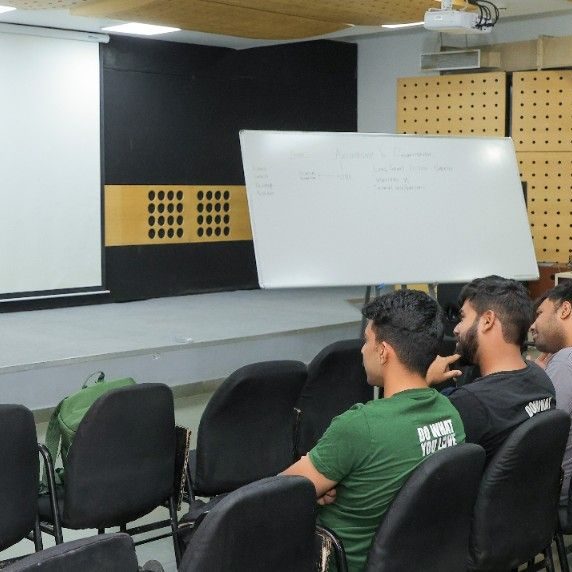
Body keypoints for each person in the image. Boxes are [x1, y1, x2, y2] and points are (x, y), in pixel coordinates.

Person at [282, 289, 465, 572]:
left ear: (383, 351)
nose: (362, 349)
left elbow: (277, 496)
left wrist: (312, 490)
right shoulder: (450, 414)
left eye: (367, 340)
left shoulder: (360, 427)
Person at [428, 275, 555, 461]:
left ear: (487, 320)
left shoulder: (469, 403)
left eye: (463, 317)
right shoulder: (542, 379)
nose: (456, 328)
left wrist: (422, 382)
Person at [530, 281, 572, 505]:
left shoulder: (565, 360)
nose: (532, 326)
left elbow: (540, 434)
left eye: (539, 314)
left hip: (558, 501)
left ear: (565, 310)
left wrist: (535, 381)